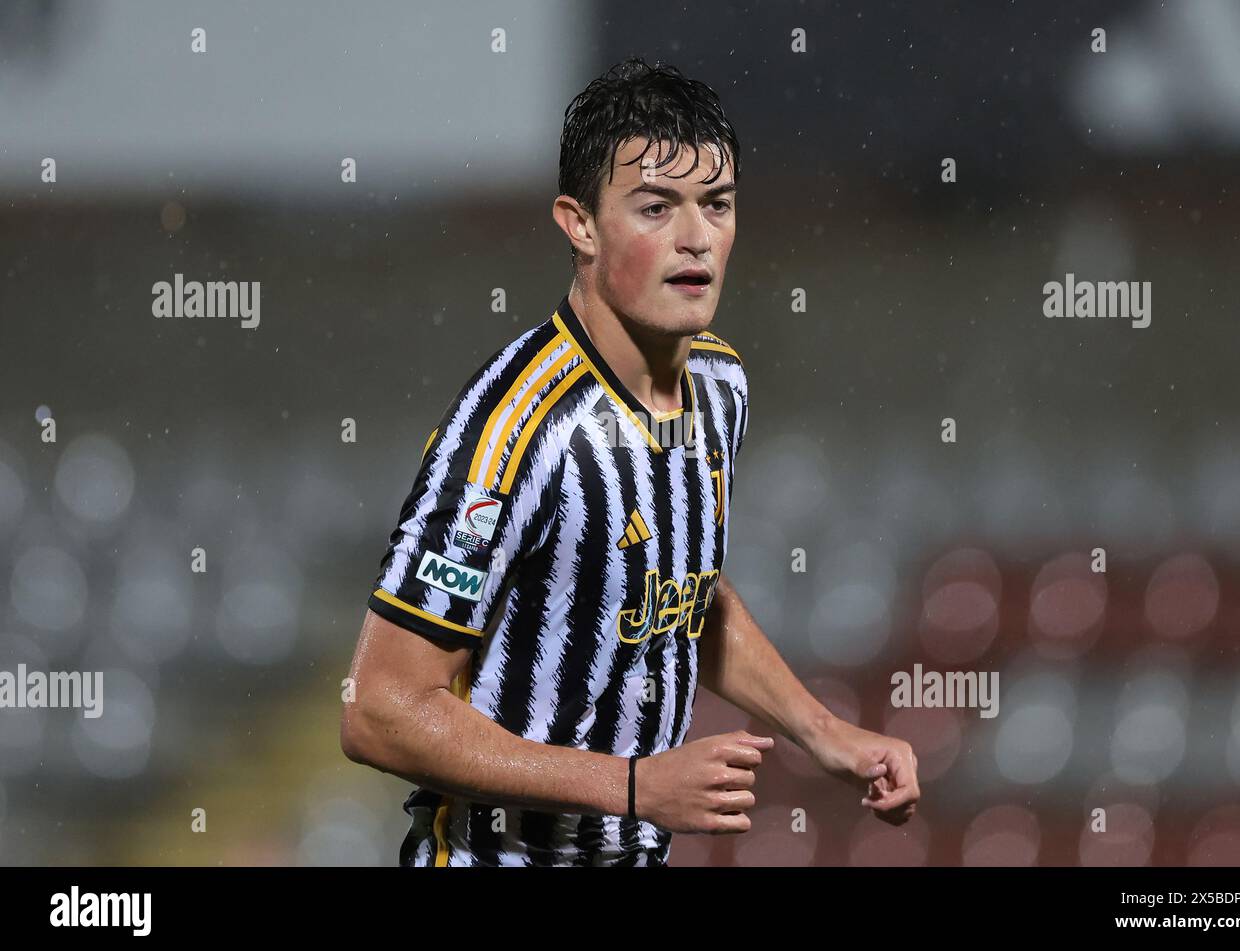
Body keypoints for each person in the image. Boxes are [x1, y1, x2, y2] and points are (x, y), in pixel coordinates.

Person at [341, 56, 919, 866]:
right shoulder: (513, 430)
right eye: (656, 208)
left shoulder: (719, 383)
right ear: (579, 223)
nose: (695, 239)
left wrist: (825, 735)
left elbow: (683, 593)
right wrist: (635, 788)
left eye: (716, 205)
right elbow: (379, 710)